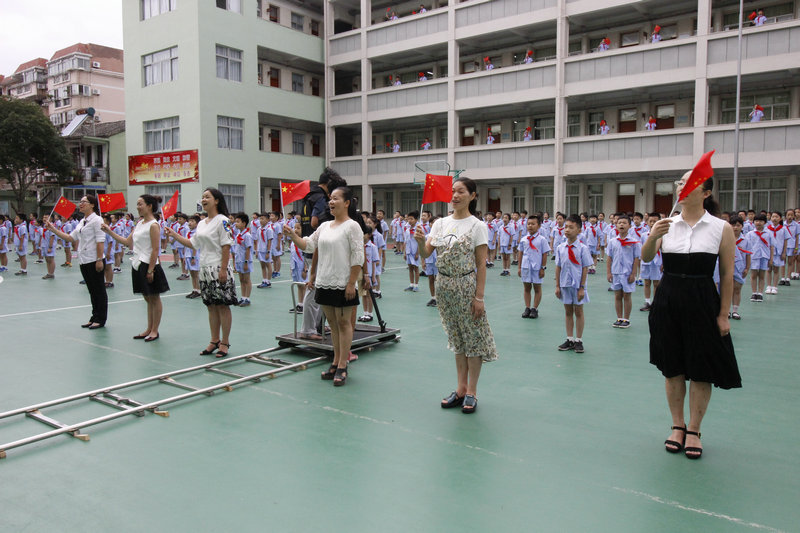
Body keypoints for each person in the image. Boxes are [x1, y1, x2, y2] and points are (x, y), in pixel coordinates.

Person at [643, 172, 740, 460]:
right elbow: (647, 257)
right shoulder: (667, 224)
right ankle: (677, 424)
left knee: (701, 367)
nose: (680, 187)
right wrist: (652, 236)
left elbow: (726, 274)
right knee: (672, 366)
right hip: (669, 299)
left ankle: (694, 429)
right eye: (679, 183)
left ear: (706, 193)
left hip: (702, 300)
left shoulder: (720, 228)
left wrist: (723, 315)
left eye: (688, 183)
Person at [415, 177, 497, 413]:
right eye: (453, 191)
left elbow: (481, 264)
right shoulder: (440, 223)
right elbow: (427, 253)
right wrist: (421, 242)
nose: (455, 195)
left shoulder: (477, 226)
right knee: (457, 338)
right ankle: (460, 389)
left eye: (461, 191)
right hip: (444, 286)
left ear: (472, 196)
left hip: (466, 286)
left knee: (472, 338)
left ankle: (472, 391)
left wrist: (479, 297)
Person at [284, 186, 365, 386]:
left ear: (346, 203)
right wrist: (294, 237)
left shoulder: (352, 226)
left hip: (343, 283)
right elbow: (309, 245)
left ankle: (343, 365)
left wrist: (351, 283)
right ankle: (336, 361)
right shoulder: (324, 226)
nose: (331, 202)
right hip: (325, 282)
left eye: (336, 198)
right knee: (333, 325)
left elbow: (357, 257)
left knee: (344, 324)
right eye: (330, 198)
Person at [166, 188, 237, 358]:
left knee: (222, 305)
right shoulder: (202, 223)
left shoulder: (224, 221)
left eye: (208, 197)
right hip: (205, 269)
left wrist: (223, 268)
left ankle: (225, 342)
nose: (204, 200)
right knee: (211, 306)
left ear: (217, 200)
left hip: (219, 268)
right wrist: (174, 235)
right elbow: (193, 244)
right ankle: (214, 340)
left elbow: (226, 245)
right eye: (203, 197)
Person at [102, 195, 169, 342]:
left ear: (149, 206)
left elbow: (155, 250)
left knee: (154, 298)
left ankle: (155, 330)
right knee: (147, 297)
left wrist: (151, 270)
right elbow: (127, 242)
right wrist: (109, 232)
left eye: (140, 204)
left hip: (149, 264)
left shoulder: (153, 225)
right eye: (137, 204)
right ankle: (149, 328)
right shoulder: (139, 223)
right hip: (137, 263)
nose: (138, 207)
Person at [45, 195, 107, 329]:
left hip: (94, 259)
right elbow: (69, 238)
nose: (81, 204)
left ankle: (100, 319)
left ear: (92, 205)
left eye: (84, 202)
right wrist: (53, 229)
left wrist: (99, 259)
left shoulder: (97, 220)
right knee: (92, 290)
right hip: (84, 260)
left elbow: (100, 241)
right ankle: (94, 316)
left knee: (99, 290)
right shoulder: (82, 221)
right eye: (80, 202)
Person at [554, 215, 591, 353]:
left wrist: (582, 287)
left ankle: (579, 340)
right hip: (565, 284)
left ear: (579, 230)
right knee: (568, 311)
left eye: (571, 227)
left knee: (579, 311)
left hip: (577, 286)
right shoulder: (560, 248)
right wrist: (557, 286)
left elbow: (584, 268)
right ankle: (569, 339)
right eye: (566, 227)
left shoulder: (582, 248)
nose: (567, 230)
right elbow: (558, 267)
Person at [606, 214, 641, 328]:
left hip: (627, 273)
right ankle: (619, 318)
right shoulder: (612, 241)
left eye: (624, 223)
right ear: (616, 225)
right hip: (616, 272)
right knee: (617, 296)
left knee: (627, 295)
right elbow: (609, 257)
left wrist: (633, 274)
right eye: (619, 223)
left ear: (629, 226)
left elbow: (636, 258)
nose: (621, 225)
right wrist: (609, 272)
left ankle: (626, 319)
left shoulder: (634, 242)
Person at [518, 214, 550, 318]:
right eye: (528, 224)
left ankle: (534, 309)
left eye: (533, 224)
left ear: (539, 225)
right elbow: (520, 253)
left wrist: (543, 268)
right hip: (526, 267)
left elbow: (544, 254)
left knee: (537, 288)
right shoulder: (524, 239)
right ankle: (527, 307)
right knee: (526, 288)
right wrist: (519, 267)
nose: (530, 226)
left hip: (537, 267)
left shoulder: (542, 240)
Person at [745, 213, 772, 301]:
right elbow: (747, 247)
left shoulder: (768, 234)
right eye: (756, 221)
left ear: (765, 222)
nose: (758, 223)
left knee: (762, 275)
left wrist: (771, 259)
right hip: (754, 256)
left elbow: (772, 246)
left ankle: (760, 293)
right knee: (753, 275)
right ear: (753, 222)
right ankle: (754, 293)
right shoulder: (750, 234)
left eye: (761, 221)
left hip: (764, 256)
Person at [640, 213, 664, 311]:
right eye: (651, 221)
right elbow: (642, 248)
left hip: (657, 262)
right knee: (646, 282)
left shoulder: (662, 236)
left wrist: (663, 263)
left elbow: (664, 251)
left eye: (655, 221)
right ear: (647, 222)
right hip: (646, 262)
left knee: (656, 283)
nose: (653, 223)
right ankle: (647, 302)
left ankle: (656, 302)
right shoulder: (644, 235)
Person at [728, 215, 750, 320]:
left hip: (740, 268)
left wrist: (747, 268)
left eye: (738, 225)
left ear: (742, 226)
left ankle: (735, 311)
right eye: (733, 225)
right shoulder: (726, 239)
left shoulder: (746, 240)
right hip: (727, 267)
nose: (735, 228)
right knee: (727, 289)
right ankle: (726, 310)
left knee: (737, 289)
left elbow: (748, 255)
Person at [232, 213, 254, 307]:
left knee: (246, 279)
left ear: (244, 223)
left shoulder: (247, 235)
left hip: (245, 260)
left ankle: (247, 298)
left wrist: (246, 262)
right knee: (241, 279)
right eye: (235, 221)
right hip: (239, 260)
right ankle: (243, 297)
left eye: (238, 222)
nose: (235, 224)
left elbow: (248, 249)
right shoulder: (238, 234)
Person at [765, 211, 788, 294]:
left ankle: (774, 286)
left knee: (776, 269)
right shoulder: (767, 229)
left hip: (778, 252)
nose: (774, 218)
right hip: (769, 252)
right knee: (768, 269)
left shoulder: (783, 229)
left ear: (780, 219)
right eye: (773, 217)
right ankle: (768, 286)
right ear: (770, 218)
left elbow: (785, 241)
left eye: (776, 217)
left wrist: (784, 253)